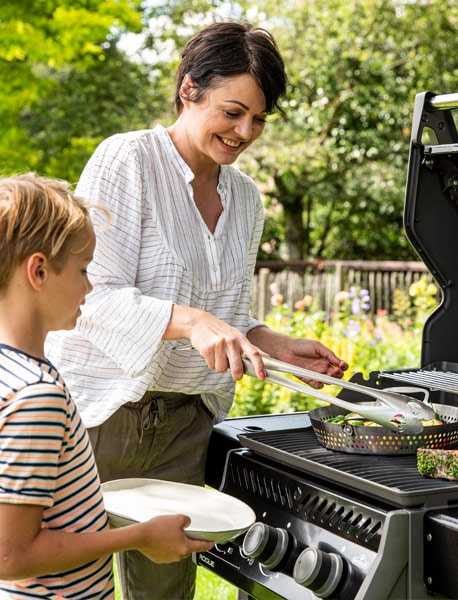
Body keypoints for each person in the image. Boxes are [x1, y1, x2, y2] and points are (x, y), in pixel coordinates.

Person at [45, 20, 349, 600]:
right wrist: (193, 321)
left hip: (186, 420)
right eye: (232, 111)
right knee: (70, 581)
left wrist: (269, 340)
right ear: (189, 90)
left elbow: (225, 312)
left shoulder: (245, 198)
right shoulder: (127, 160)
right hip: (105, 411)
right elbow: (91, 295)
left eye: (258, 119)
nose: (245, 131)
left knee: (165, 588)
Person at [0, 173, 214, 599]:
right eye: (82, 270)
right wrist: (138, 537)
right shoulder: (36, 396)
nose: (90, 286)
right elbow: (11, 557)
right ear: (39, 271)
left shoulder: (12, 370)